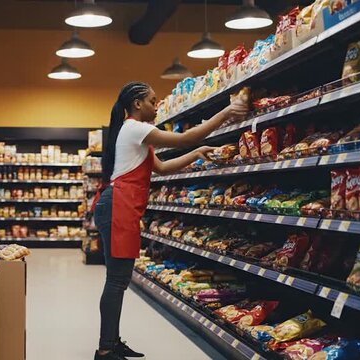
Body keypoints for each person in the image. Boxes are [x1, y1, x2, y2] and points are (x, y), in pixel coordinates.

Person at [93, 81, 249, 360]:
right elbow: (185, 137)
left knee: (119, 279)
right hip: (118, 206)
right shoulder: (135, 128)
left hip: (121, 206)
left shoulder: (135, 133)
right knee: (117, 280)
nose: (157, 106)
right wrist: (226, 112)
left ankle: (112, 341)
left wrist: (195, 154)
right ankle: (105, 349)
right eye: (153, 101)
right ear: (137, 104)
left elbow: (162, 169)